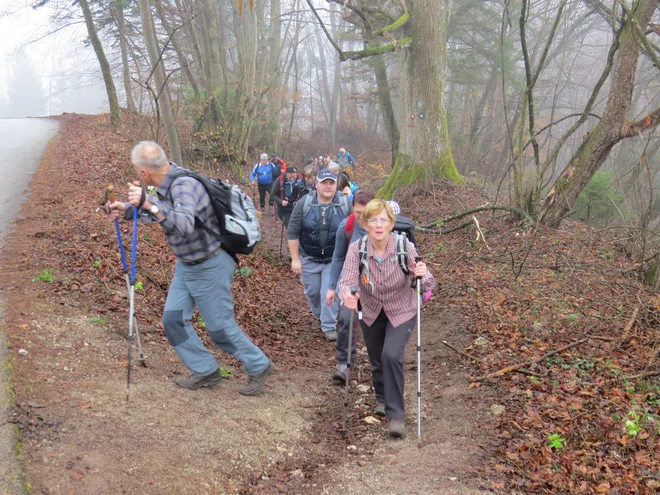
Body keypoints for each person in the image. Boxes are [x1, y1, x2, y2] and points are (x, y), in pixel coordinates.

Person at [107, 141, 274, 395]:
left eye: (136, 169)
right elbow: (166, 213)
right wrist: (130, 210)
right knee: (173, 320)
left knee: (219, 328)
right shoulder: (168, 181)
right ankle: (205, 370)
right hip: (187, 264)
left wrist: (148, 202)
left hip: (211, 264)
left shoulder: (184, 184)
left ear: (143, 172)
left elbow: (182, 224)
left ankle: (258, 365)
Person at [339, 199, 435, 439]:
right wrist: (348, 295)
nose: (379, 225)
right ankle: (382, 399)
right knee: (376, 359)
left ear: (391, 224)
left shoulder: (405, 247)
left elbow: (428, 283)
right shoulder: (357, 249)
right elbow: (346, 280)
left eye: (384, 220)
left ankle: (396, 416)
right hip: (371, 310)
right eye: (373, 220)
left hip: (402, 308)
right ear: (365, 223)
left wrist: (423, 275)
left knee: (391, 354)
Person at [287, 169, 351, 341]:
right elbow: (293, 232)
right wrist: (295, 259)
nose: (328, 186)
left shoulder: (346, 204)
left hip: (334, 260)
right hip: (309, 257)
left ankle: (329, 326)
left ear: (336, 185)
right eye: (324, 182)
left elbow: (358, 226)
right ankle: (322, 314)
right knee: (313, 293)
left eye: (331, 182)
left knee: (328, 292)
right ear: (316, 184)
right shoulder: (304, 203)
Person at [325, 190, 375, 384]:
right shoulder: (346, 226)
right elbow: (338, 257)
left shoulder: (383, 227)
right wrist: (332, 286)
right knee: (346, 319)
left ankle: (382, 371)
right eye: (357, 212)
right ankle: (345, 365)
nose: (360, 218)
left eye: (365, 213)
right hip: (352, 283)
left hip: (379, 286)